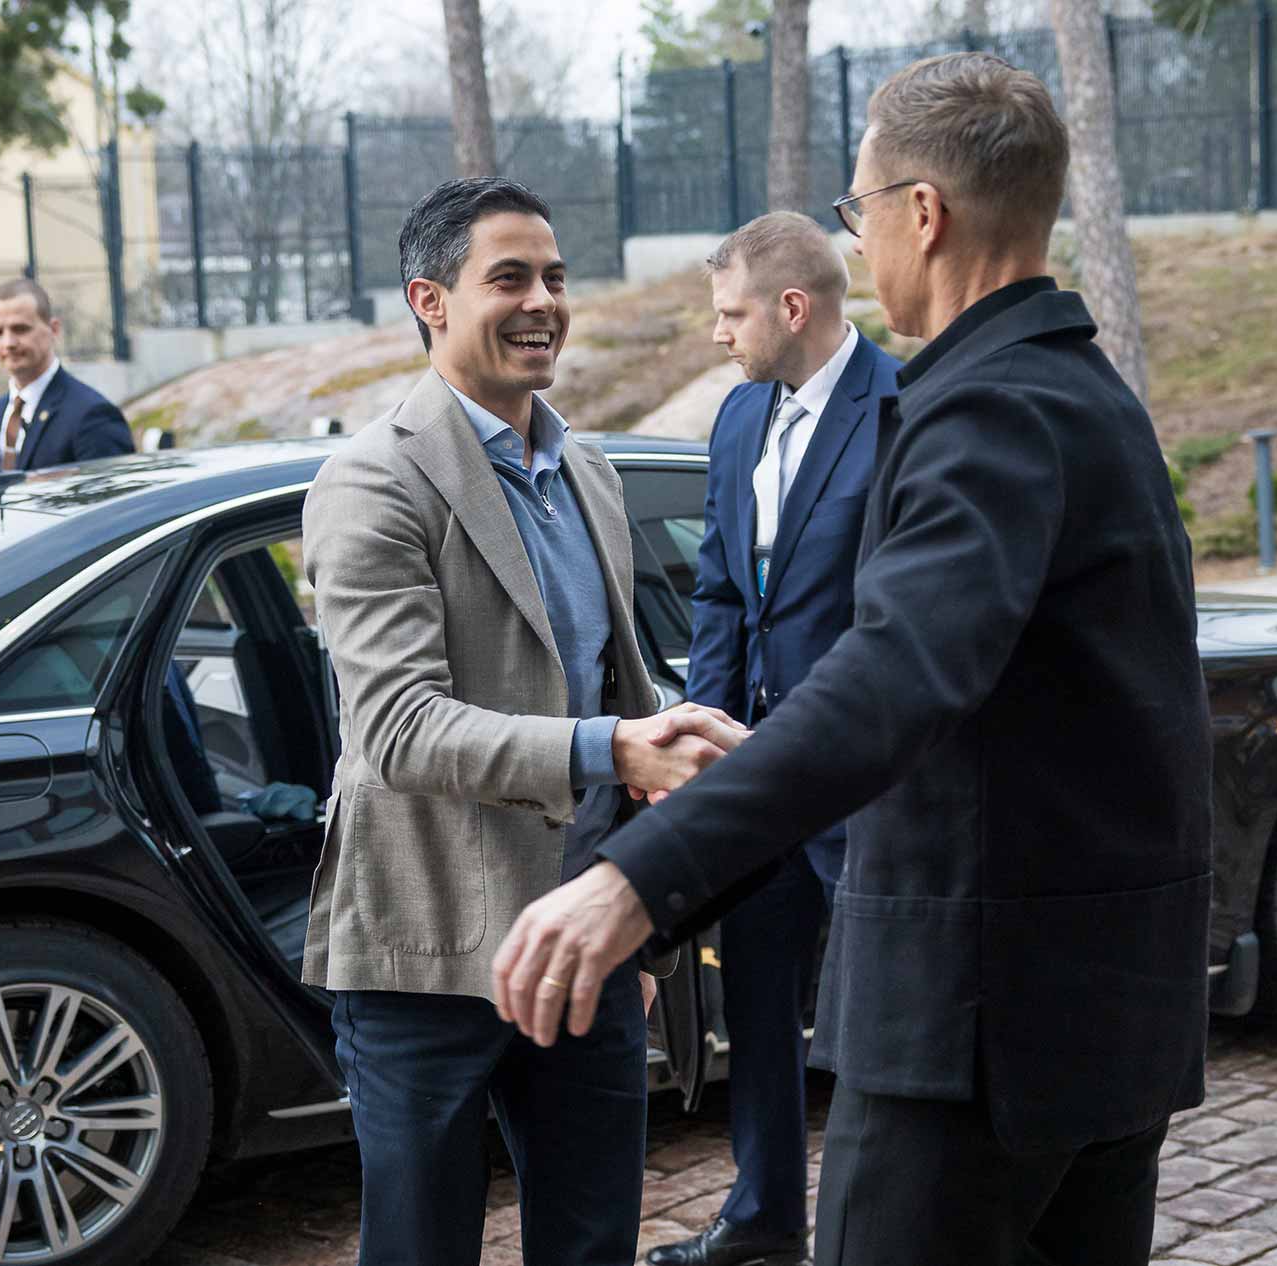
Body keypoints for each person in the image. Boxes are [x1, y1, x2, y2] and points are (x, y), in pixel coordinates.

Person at [491, 54, 1213, 1266]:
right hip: (1103, 1017)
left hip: (977, 1027)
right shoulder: (1089, 392)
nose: (860, 241)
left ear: (920, 215)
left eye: (859, 210)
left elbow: (892, 677)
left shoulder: (985, 408)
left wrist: (633, 881)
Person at [300, 177, 743, 1266]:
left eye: (553, 276)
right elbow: (399, 728)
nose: (542, 299)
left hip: (586, 944)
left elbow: (614, 695)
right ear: (431, 298)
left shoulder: (587, 468)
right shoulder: (371, 480)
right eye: (508, 277)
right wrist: (613, 749)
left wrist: (644, 913)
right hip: (425, 951)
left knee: (592, 1244)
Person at [646, 213, 899, 1266]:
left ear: (792, 308)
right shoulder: (740, 418)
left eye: (730, 313)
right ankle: (760, 1219)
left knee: (883, 1016)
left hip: (863, 783)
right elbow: (718, 595)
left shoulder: (903, 411)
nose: (718, 335)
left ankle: (881, 1227)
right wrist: (704, 742)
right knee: (753, 1003)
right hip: (752, 779)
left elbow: (897, 616)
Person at [0, 278, 134, 471]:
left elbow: (116, 499)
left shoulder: (92, 415)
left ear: (54, 329)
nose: (8, 342)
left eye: (20, 329)